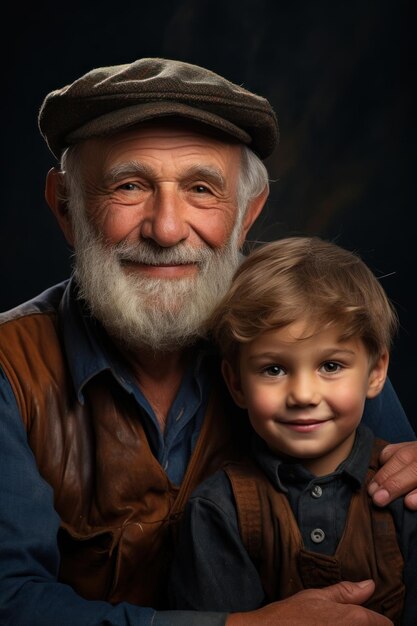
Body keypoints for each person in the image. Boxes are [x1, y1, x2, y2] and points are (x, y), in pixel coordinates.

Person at [0, 58, 415, 626]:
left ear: (248, 213)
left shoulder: (313, 338)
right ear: (66, 206)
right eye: (129, 185)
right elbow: (9, 600)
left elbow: (396, 488)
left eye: (201, 189)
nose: (167, 229)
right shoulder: (9, 368)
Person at [169, 236, 417, 625]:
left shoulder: (407, 496)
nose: (302, 394)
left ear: (376, 372)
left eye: (331, 366)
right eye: (274, 369)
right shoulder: (218, 509)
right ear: (236, 384)